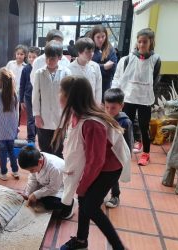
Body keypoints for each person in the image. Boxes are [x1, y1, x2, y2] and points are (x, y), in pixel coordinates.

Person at [53, 76, 130, 250]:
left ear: (72, 96)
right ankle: (81, 241)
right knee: (83, 199)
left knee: (90, 207)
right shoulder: (78, 114)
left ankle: (119, 247)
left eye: (61, 91)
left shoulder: (92, 124)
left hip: (109, 168)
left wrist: (83, 184)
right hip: (97, 165)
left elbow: (96, 162)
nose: (59, 95)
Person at [112, 28, 161, 166]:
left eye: (144, 42)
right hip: (129, 97)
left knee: (144, 126)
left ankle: (146, 153)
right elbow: (124, 77)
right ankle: (125, 150)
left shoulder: (156, 59)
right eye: (139, 42)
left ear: (151, 42)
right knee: (126, 124)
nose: (141, 45)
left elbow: (155, 79)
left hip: (145, 98)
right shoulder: (129, 58)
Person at [33, 41, 71, 158]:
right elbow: (35, 96)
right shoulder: (39, 73)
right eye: (47, 58)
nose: (49, 61)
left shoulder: (66, 73)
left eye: (53, 58)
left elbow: (69, 97)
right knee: (44, 148)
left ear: (59, 57)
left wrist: (68, 116)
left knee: (58, 149)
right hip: (43, 117)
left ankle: (58, 173)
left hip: (60, 117)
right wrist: (37, 115)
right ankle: (45, 173)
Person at [104, 88, 133, 208]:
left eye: (113, 108)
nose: (109, 111)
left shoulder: (125, 122)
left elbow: (128, 143)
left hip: (117, 156)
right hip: (105, 154)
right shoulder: (103, 117)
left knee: (113, 177)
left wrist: (125, 158)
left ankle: (115, 195)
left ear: (121, 106)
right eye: (107, 107)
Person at [17, 144, 64, 210]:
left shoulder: (55, 168)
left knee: (51, 203)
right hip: (46, 184)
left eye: (32, 169)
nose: (31, 172)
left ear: (40, 162)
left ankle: (71, 206)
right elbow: (32, 179)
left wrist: (35, 195)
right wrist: (27, 194)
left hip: (60, 187)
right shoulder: (35, 159)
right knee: (34, 196)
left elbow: (53, 188)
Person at [67, 37, 102, 105]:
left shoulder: (95, 66)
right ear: (79, 52)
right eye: (88, 52)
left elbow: (98, 88)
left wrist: (97, 105)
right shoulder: (69, 68)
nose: (91, 54)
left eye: (92, 51)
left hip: (91, 104)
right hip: (75, 105)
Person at [90, 25, 118, 101]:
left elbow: (113, 68)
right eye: (98, 37)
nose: (101, 39)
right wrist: (104, 66)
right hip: (91, 83)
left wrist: (97, 66)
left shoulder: (110, 49)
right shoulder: (90, 49)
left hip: (105, 84)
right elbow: (88, 66)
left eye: (103, 36)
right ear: (93, 37)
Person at [19, 46, 40, 143]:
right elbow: (22, 85)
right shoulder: (26, 69)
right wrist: (21, 100)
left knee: (38, 117)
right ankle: (31, 138)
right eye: (30, 57)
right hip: (28, 97)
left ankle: (38, 135)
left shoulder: (41, 69)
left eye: (34, 57)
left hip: (39, 97)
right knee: (31, 118)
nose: (31, 59)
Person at [6, 44, 28, 126]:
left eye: (21, 54)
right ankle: (8, 127)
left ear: (25, 55)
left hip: (19, 92)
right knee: (8, 110)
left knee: (17, 111)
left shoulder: (26, 67)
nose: (19, 56)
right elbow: (5, 75)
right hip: (9, 91)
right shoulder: (10, 64)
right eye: (18, 54)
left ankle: (16, 128)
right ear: (15, 54)